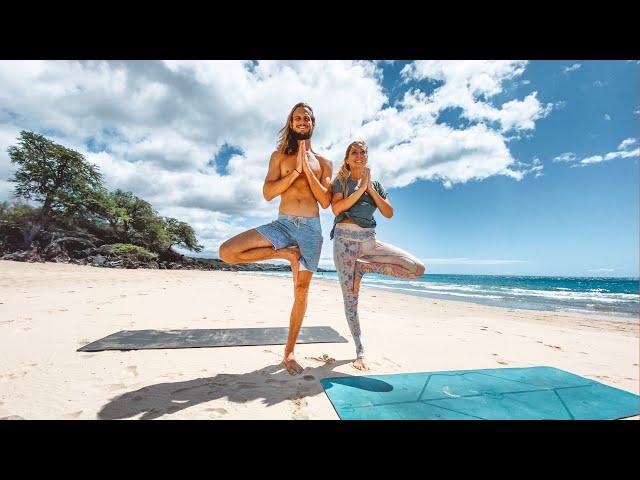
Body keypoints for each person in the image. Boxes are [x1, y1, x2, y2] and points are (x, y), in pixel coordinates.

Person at [219, 103, 333, 375]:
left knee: (301, 291)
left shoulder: (325, 162)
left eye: (306, 117)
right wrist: (295, 171)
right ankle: (286, 253)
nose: (302, 121)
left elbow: (326, 201)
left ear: (313, 123)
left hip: (310, 230)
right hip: (282, 225)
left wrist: (307, 169)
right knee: (227, 252)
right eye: (297, 118)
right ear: (291, 124)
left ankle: (289, 351)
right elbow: (268, 193)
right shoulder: (279, 156)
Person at [330, 140, 425, 371]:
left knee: (417, 268)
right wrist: (360, 189)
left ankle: (365, 267)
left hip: (369, 243)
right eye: (354, 152)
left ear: (367, 157)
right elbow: (336, 209)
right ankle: (360, 351)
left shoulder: (377, 185)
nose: (359, 155)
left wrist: (370, 188)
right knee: (351, 301)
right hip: (344, 242)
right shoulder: (341, 181)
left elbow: (389, 213)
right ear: (347, 158)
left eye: (363, 152)